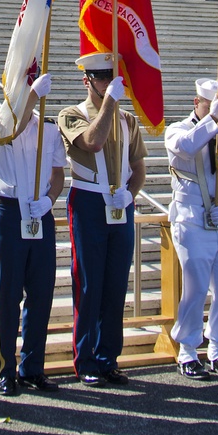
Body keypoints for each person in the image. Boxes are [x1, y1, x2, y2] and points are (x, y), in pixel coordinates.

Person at [57, 51, 147, 387]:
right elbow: (92, 141)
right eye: (101, 78)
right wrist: (109, 102)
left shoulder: (127, 120)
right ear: (88, 81)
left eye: (111, 77)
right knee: (89, 283)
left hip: (119, 205)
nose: (109, 83)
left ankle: (109, 356)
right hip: (89, 202)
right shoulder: (72, 114)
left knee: (115, 285)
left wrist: (130, 194)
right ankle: (87, 359)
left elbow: (138, 168)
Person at [0, 73, 66, 395]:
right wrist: (30, 97)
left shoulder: (49, 127)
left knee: (41, 295)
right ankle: (6, 369)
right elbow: (6, 132)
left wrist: (50, 199)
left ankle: (33, 367)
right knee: (7, 295)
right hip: (9, 211)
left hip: (39, 213)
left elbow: (58, 172)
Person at [165, 78, 218, 380]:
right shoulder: (178, 129)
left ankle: (217, 349)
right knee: (196, 288)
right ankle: (187, 350)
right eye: (208, 105)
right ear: (197, 103)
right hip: (191, 222)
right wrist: (213, 120)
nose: (215, 112)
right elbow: (185, 147)